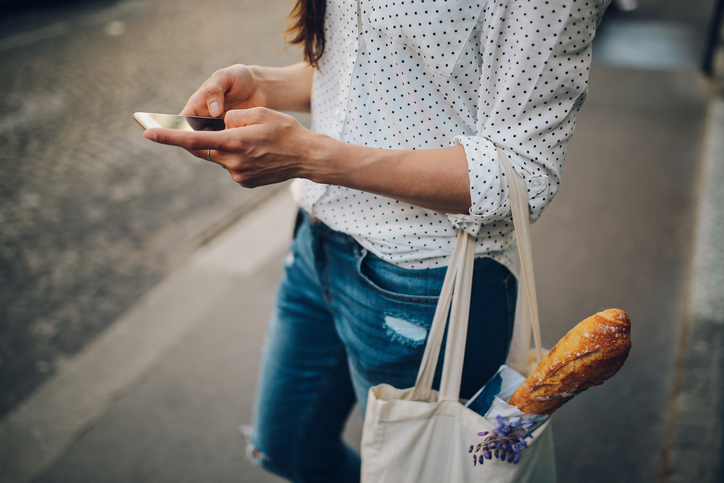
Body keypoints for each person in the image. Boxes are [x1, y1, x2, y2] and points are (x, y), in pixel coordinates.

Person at [143, 0, 611, 480]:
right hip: (316, 244)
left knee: (420, 471)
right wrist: (262, 83)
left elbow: (524, 173)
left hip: (425, 282)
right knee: (283, 447)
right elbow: (370, 70)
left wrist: (313, 156)